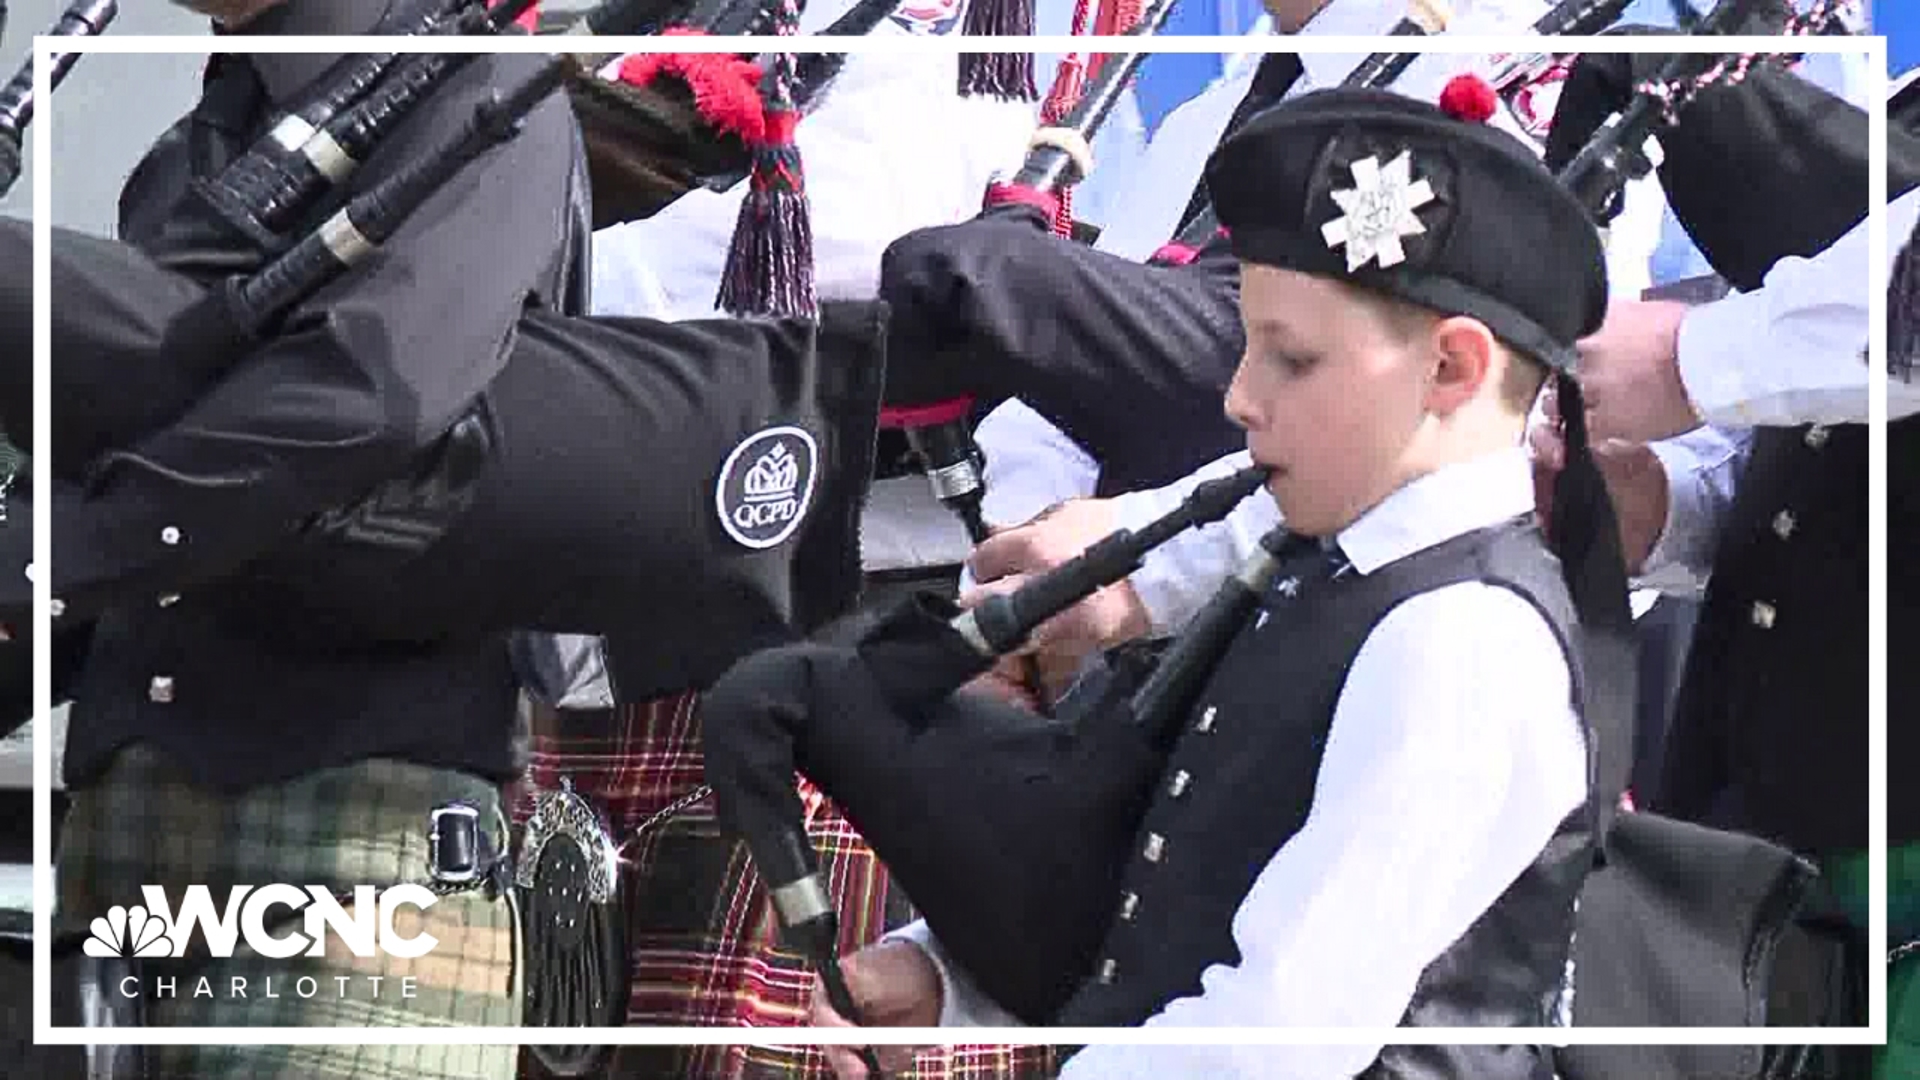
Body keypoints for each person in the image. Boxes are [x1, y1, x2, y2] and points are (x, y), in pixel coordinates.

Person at [812, 80, 1623, 1079]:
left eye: (1291, 358)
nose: (1239, 397)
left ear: (1453, 369)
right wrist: (948, 981)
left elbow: (1272, 1038)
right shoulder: (1312, 558)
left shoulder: (1460, 644)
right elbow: (1170, 875)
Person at [35, 2, 582, 1077]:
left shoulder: (485, 94)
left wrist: (47, 564)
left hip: (361, 836)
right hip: (125, 823)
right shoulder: (180, 160)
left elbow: (375, 392)